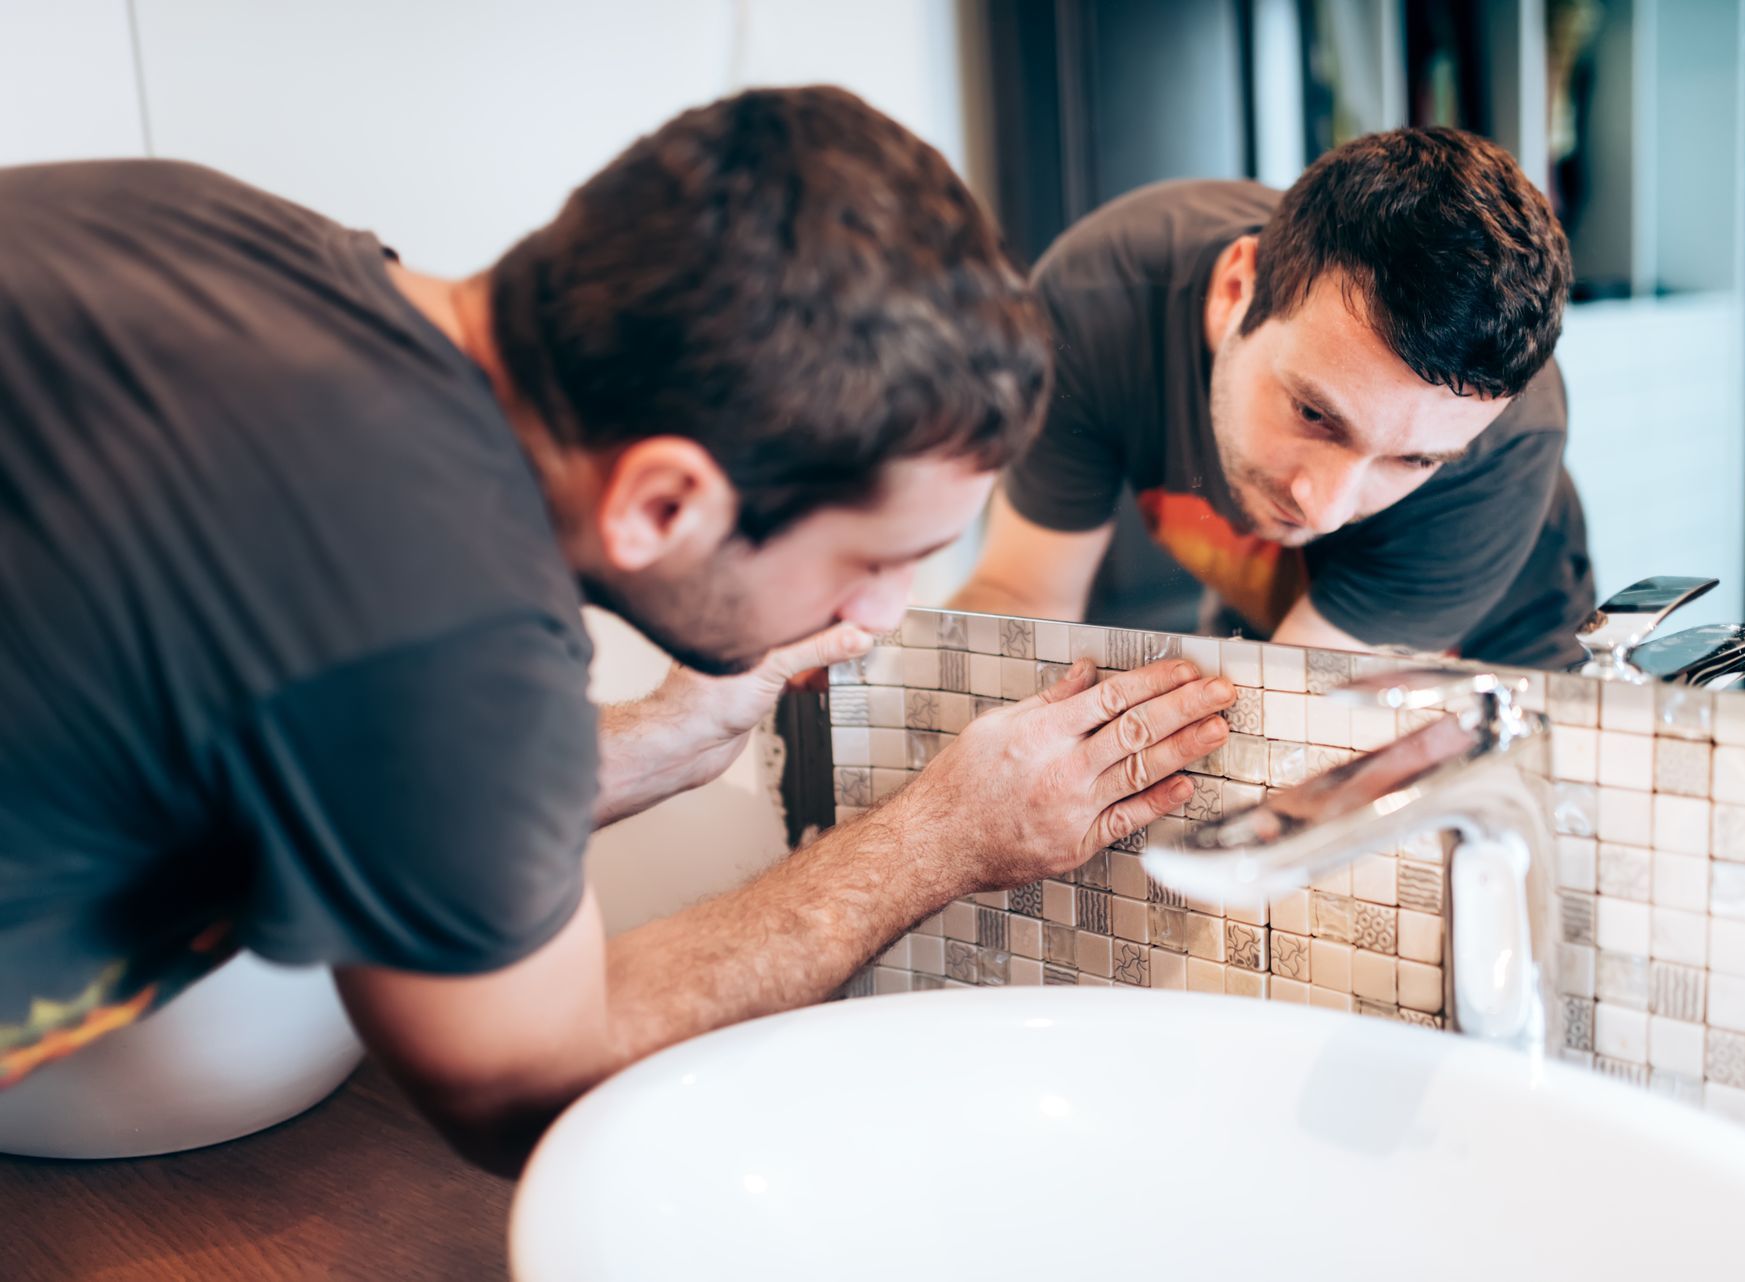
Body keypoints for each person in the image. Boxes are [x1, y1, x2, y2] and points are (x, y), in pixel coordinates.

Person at [0, 86, 1235, 1173]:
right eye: (877, 560)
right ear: (664, 502)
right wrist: (941, 839)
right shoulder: (440, 613)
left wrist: (654, 743)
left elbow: (339, 758)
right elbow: (525, 1084)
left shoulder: (232, 234)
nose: (882, 614)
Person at [949, 128, 1595, 670]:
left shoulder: (1504, 442)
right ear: (1235, 289)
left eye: (1414, 462)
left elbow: (1299, 727)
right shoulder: (1092, 310)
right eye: (1314, 414)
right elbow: (1020, 599)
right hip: (1260, 613)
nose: (1327, 507)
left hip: (1500, 658)